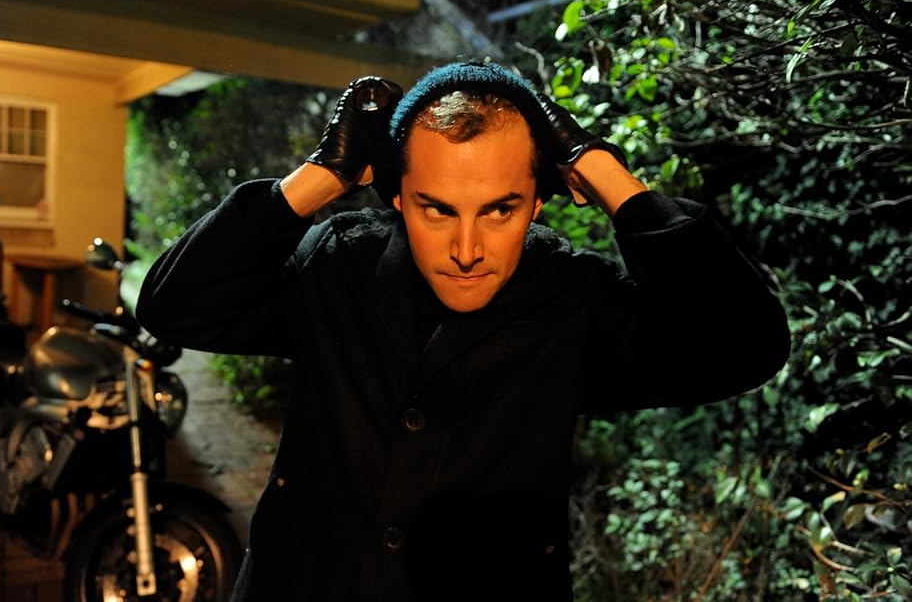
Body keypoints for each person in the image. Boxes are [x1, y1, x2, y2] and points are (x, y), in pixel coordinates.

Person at [136, 61, 790, 602]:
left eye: (501, 210)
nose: (468, 250)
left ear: (537, 201)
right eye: (437, 209)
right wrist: (322, 176)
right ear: (398, 196)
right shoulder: (337, 266)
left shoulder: (573, 302)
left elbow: (747, 346)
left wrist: (604, 172)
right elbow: (173, 305)